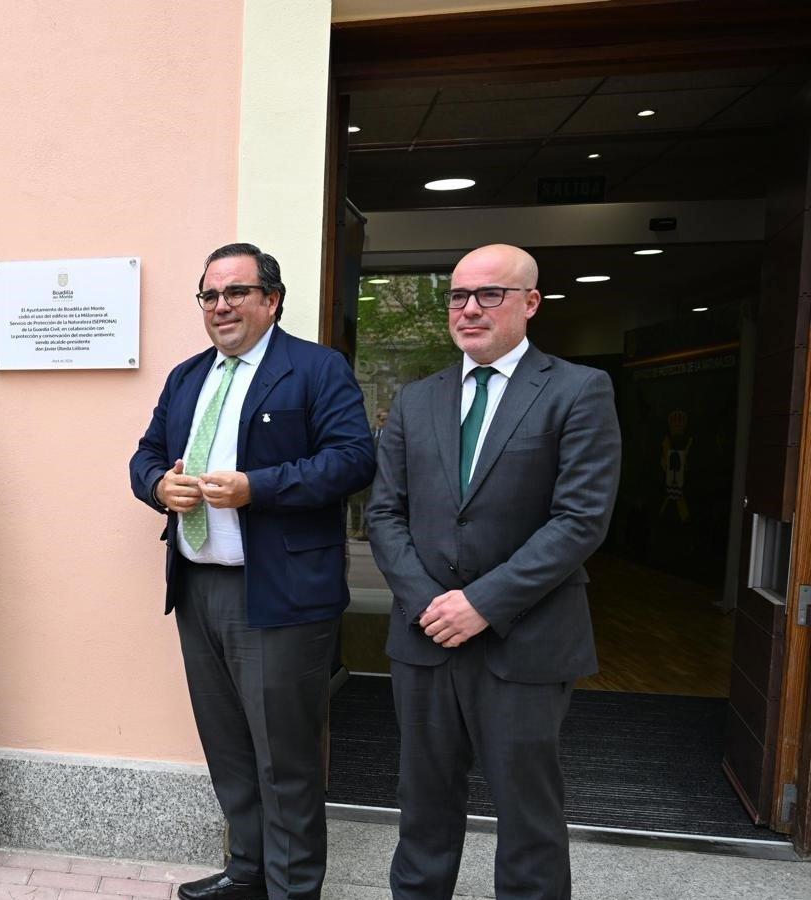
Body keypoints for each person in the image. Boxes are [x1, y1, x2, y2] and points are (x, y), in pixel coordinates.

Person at [366, 244, 620, 900]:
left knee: (529, 821)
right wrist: (431, 603)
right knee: (422, 811)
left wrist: (481, 603)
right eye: (457, 296)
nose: (469, 309)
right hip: (424, 642)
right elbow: (384, 514)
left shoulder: (578, 390)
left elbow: (579, 521)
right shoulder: (416, 401)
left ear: (530, 303)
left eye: (489, 295)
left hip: (526, 642)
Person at [130, 243, 375, 900]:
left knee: (286, 760)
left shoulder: (316, 370)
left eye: (235, 292)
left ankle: (293, 889)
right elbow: (146, 455)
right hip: (198, 588)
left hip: (281, 596)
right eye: (209, 295)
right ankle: (247, 872)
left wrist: (257, 488)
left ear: (271, 299)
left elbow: (353, 461)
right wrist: (160, 487)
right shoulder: (187, 377)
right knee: (230, 748)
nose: (220, 306)